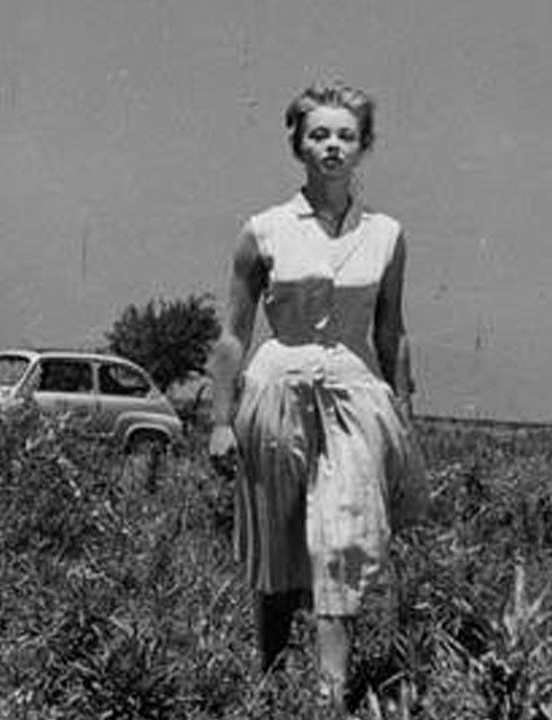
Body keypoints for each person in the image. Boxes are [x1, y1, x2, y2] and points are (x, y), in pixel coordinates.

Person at [207, 81, 422, 709]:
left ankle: (331, 696)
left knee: (343, 542)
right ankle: (270, 681)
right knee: (275, 547)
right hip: (276, 395)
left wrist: (404, 417)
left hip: (357, 400)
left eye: (345, 136)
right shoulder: (264, 230)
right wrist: (220, 420)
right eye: (319, 135)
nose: (332, 146)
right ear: (299, 145)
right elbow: (233, 335)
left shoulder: (387, 235)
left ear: (363, 147)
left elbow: (391, 331)